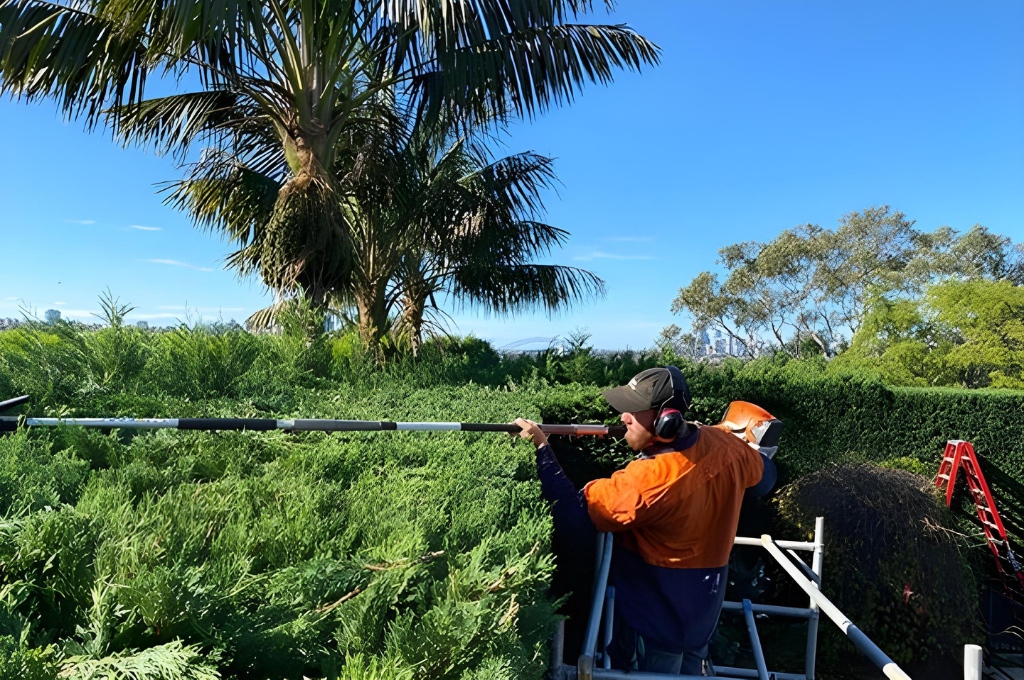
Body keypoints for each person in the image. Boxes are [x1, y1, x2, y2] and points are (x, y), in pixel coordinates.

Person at [515, 366, 775, 675]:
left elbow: (573, 517)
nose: (623, 416)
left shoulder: (650, 482)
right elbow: (766, 476)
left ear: (667, 419)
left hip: (654, 627)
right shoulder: (729, 447)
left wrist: (542, 447)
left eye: (634, 410)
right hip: (701, 623)